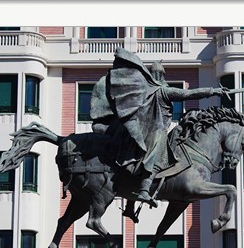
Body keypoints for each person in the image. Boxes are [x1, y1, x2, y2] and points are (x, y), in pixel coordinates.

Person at [91, 48, 227, 208]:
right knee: (158, 154)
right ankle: (144, 190)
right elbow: (188, 94)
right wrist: (213, 91)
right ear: (161, 76)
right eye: (163, 75)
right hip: (154, 132)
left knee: (144, 161)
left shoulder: (143, 91)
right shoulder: (163, 91)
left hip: (141, 132)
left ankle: (130, 206)